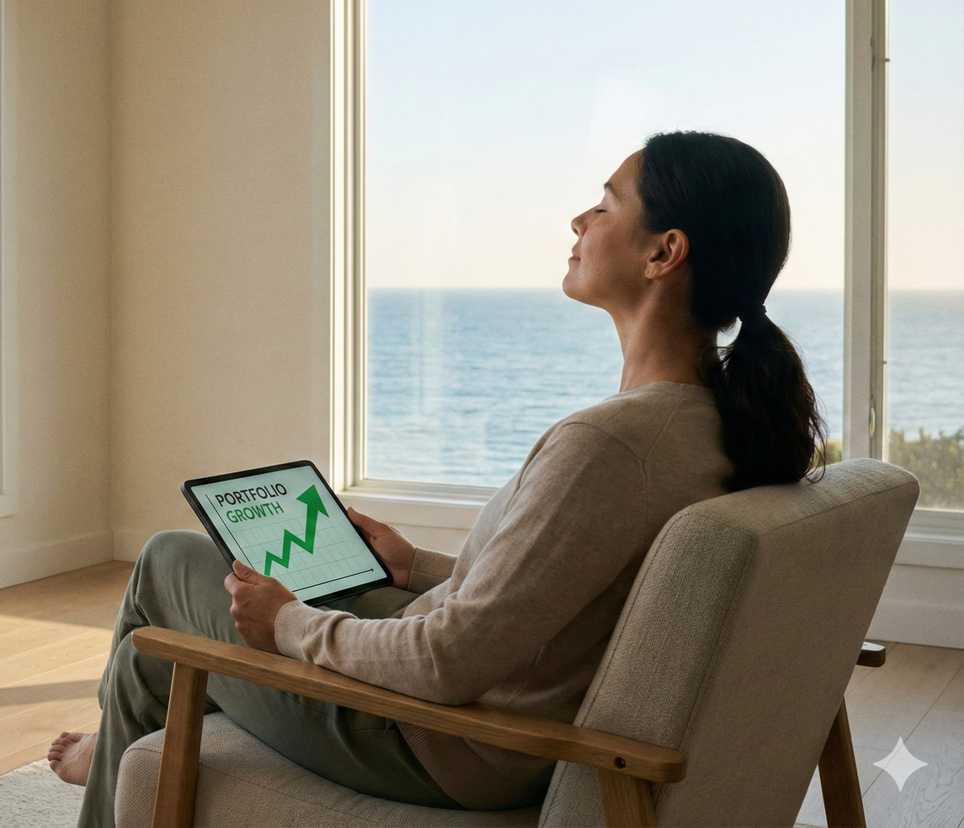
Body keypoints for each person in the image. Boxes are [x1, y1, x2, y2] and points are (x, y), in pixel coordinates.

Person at [49, 131, 827, 826]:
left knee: (168, 562)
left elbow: (447, 660)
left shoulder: (610, 445)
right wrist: (413, 565)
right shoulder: (712, 422)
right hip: (489, 704)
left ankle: (113, 748)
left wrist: (288, 624)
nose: (578, 221)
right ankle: (116, 745)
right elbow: (576, 590)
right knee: (186, 612)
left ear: (664, 253)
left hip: (442, 741)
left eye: (604, 204)